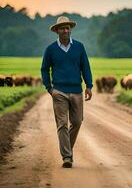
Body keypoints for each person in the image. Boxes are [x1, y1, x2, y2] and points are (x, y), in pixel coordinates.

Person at [41, 16, 93, 168]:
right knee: (62, 124)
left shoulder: (79, 47)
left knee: (77, 122)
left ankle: (67, 150)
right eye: (63, 28)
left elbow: (86, 67)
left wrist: (89, 86)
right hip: (59, 92)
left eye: (68, 27)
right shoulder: (50, 49)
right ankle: (67, 157)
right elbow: (44, 69)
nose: (66, 30)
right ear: (57, 30)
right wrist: (49, 88)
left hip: (76, 90)